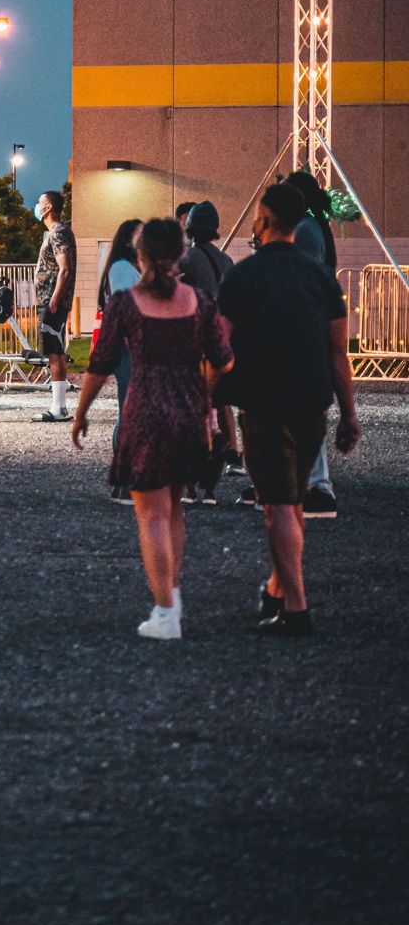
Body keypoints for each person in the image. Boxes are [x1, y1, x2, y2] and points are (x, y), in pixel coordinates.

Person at [72, 217, 233, 641]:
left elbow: (100, 362)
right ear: (181, 254)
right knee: (175, 508)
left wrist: (81, 412)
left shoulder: (126, 303)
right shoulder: (199, 301)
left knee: (151, 515)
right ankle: (172, 596)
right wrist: (207, 399)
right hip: (187, 412)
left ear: (139, 254)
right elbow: (224, 359)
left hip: (145, 413)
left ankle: (164, 612)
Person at [218, 182, 359, 638]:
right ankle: (277, 589)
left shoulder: (243, 277)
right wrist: (349, 413)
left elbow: (219, 344)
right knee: (293, 504)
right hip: (311, 402)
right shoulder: (320, 277)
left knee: (277, 507)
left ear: (264, 218)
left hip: (263, 404)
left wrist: (208, 396)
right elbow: (339, 352)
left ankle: (296, 610)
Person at [284, 168, 340, 520]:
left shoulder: (304, 229)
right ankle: (306, 482)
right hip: (314, 323)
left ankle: (316, 485)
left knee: (301, 406)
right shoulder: (317, 224)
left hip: (303, 325)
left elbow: (299, 275)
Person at [179, 200, 241, 498]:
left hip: (195, 342)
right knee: (217, 404)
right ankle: (223, 457)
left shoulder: (186, 259)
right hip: (223, 342)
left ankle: (191, 483)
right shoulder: (226, 261)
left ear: (189, 228)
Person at [96, 217, 142, 503]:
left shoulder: (125, 267)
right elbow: (128, 309)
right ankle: (124, 479)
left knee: (130, 411)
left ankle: (124, 478)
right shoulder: (123, 269)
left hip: (129, 347)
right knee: (129, 412)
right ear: (128, 241)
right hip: (129, 347)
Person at [34, 190, 76, 422]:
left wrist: (55, 298)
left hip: (52, 301)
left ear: (48, 207)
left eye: (40, 204)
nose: (38, 207)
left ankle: (58, 407)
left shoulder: (58, 233)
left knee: (54, 352)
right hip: (52, 300)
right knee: (55, 351)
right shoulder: (58, 232)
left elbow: (65, 267)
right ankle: (58, 406)